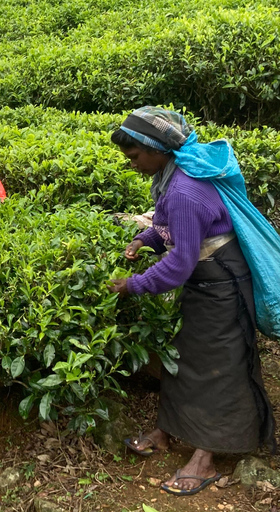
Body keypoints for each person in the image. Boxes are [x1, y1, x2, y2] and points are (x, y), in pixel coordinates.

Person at [108, 106, 276, 496]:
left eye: (134, 157)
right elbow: (170, 228)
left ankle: (205, 456)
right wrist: (143, 239)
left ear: (157, 149)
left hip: (222, 285)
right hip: (206, 280)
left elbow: (181, 262)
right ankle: (169, 430)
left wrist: (133, 285)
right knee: (184, 357)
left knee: (220, 364)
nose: (132, 165)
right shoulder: (175, 177)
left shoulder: (185, 189)